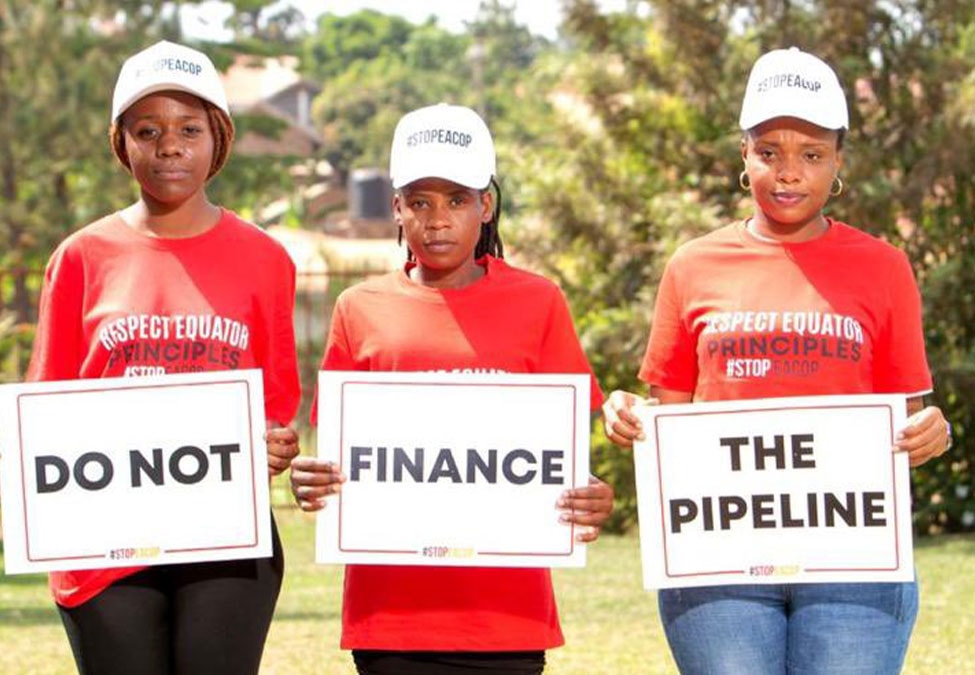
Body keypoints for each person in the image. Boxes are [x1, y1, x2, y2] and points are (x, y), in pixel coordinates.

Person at [602, 47, 952, 674]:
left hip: (854, 563)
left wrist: (932, 431)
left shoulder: (884, 267)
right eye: (770, 152)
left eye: (811, 155)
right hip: (718, 561)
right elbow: (668, 420)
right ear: (744, 155)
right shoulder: (692, 265)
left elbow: (908, 419)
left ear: (838, 160)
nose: (789, 173)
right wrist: (628, 415)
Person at [289, 103, 613, 675]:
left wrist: (590, 495)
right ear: (397, 208)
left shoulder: (539, 303)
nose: (438, 220)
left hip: (506, 618)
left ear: (485, 205)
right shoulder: (357, 309)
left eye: (457, 200)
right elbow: (337, 455)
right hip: (390, 616)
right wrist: (313, 478)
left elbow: (565, 456)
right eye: (420, 202)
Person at [27, 40, 301, 675]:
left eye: (189, 129)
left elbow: (277, 400)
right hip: (104, 541)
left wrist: (274, 443)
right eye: (147, 130)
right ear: (122, 143)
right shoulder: (81, 257)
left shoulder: (265, 259)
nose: (170, 146)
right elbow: (46, 409)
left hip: (226, 536)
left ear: (219, 139)